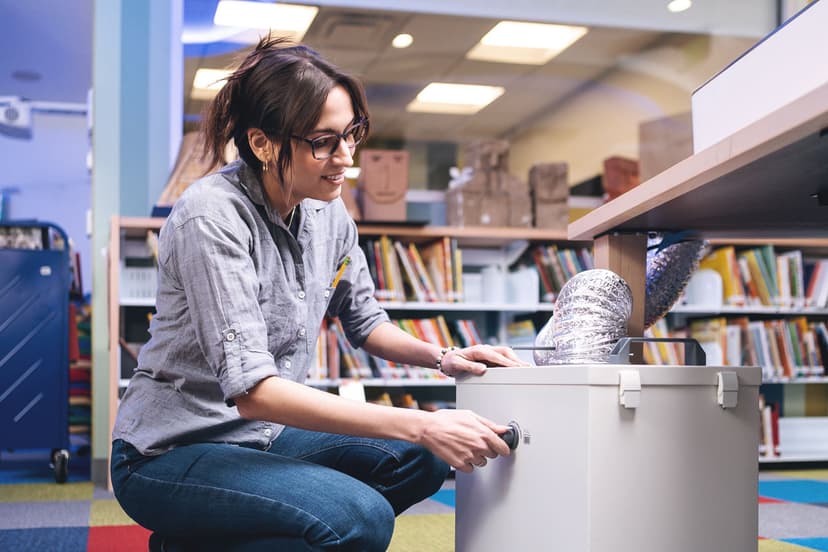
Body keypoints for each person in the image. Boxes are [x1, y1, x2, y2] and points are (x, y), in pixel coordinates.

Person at [111, 35, 524, 552]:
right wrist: (421, 422)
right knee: (362, 519)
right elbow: (255, 392)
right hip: (170, 449)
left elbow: (367, 323)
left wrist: (446, 356)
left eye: (352, 134)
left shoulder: (329, 212)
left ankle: (198, 540)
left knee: (420, 459)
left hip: (261, 435)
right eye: (323, 141)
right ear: (262, 143)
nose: (346, 156)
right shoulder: (210, 216)